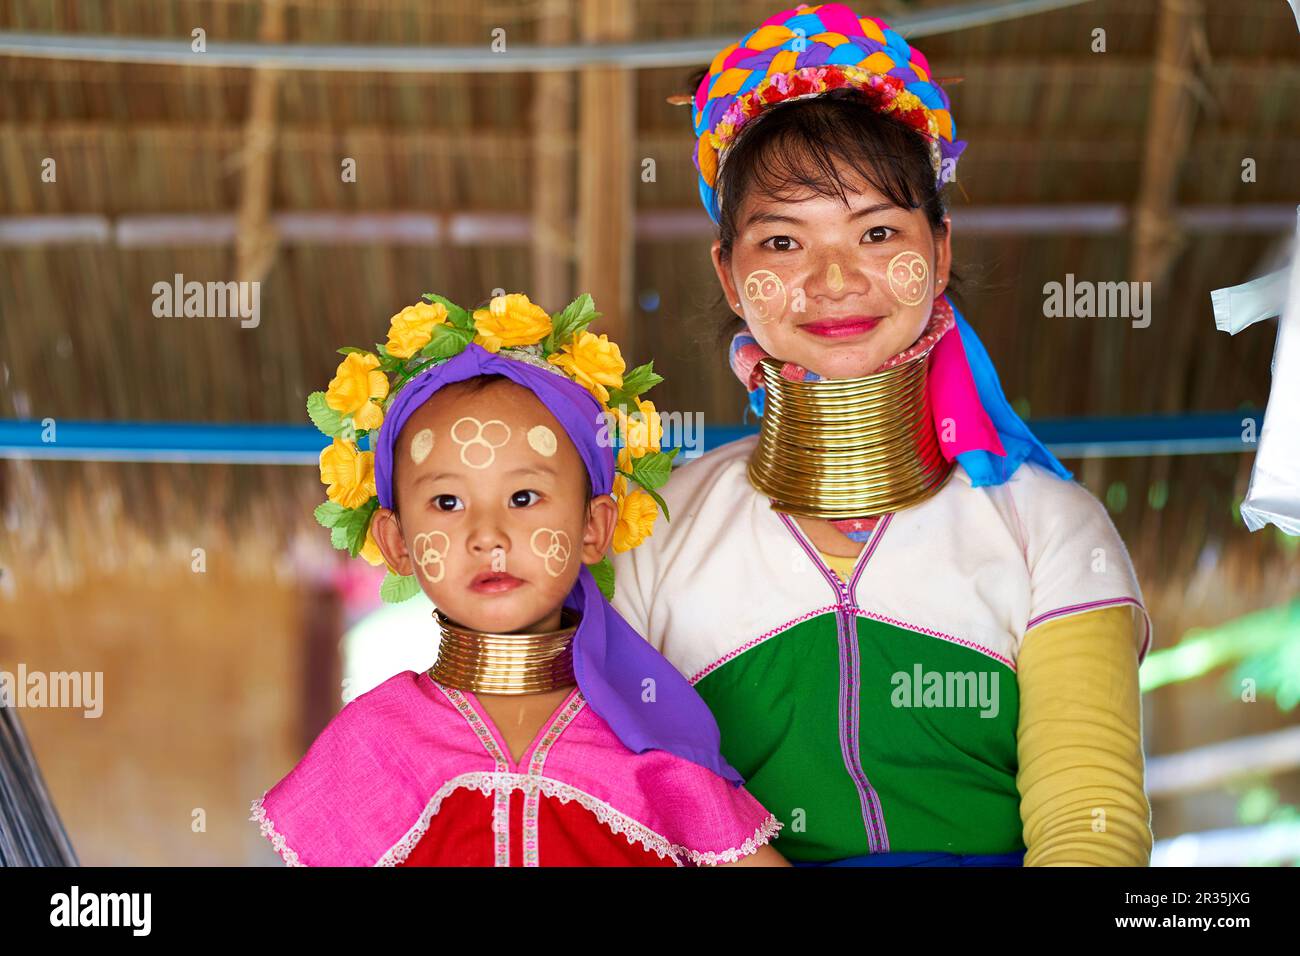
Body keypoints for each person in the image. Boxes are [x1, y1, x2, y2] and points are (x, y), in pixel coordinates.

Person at [610, 4, 1153, 866]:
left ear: (937, 252)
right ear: (728, 271)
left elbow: (1090, 820)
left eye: (877, 233)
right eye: (783, 241)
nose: (833, 279)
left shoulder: (1047, 526)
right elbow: (620, 799)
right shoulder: (653, 531)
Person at [250, 292, 785, 866]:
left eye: (524, 497)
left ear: (593, 526)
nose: (488, 535)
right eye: (447, 501)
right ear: (397, 542)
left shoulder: (654, 750)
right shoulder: (371, 748)